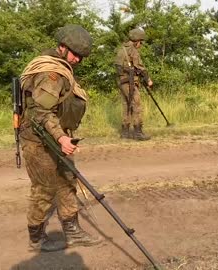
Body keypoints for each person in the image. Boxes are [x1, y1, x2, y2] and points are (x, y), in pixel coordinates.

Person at [19, 24, 102, 252]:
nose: (77, 59)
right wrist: (61, 138)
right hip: (38, 140)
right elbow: (41, 112)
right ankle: (36, 239)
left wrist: (62, 137)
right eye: (75, 53)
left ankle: (73, 232)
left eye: (81, 56)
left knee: (67, 180)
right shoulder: (51, 73)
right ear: (62, 47)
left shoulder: (60, 68)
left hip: (55, 137)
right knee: (44, 189)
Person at [114, 28, 153, 141]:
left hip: (121, 81)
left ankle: (125, 132)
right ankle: (138, 132)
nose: (141, 44)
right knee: (136, 106)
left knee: (126, 105)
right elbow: (140, 67)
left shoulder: (121, 49)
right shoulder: (133, 51)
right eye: (141, 41)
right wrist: (148, 80)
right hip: (130, 82)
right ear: (137, 40)